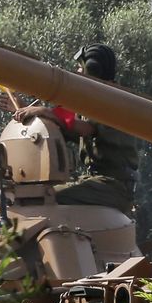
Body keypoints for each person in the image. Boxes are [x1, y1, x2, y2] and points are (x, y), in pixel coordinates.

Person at [11, 44, 139, 215]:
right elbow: (66, 125)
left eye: (80, 67)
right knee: (36, 193)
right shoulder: (92, 100)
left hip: (114, 186)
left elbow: (85, 129)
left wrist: (46, 111)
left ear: (92, 70)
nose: (77, 71)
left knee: (47, 197)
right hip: (99, 182)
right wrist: (27, 111)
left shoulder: (112, 100)